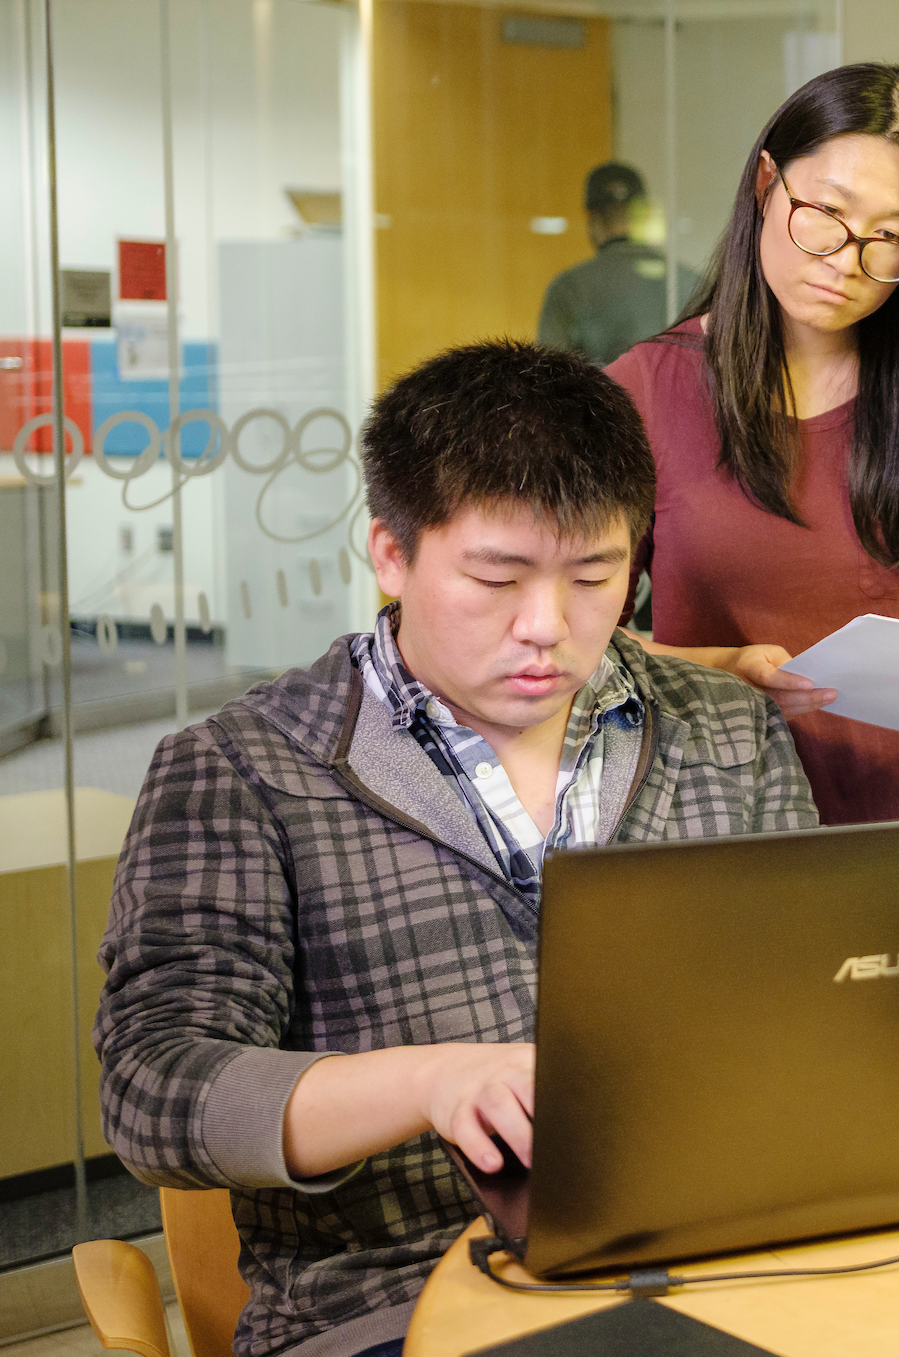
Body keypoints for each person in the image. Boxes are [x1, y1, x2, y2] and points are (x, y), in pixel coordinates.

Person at [93, 341, 817, 1357]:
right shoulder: (244, 771)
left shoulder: (724, 732)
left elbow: (813, 1004)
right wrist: (431, 1082)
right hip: (392, 1305)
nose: (548, 628)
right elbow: (154, 1090)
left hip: (715, 1265)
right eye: (496, 577)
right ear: (391, 552)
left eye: (595, 576)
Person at [608, 64, 899, 826]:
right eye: (826, 213)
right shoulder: (644, 390)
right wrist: (726, 670)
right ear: (767, 182)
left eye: (891, 239)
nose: (844, 260)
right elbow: (580, 645)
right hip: (716, 812)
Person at [536, 162, 695, 366]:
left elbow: (548, 377)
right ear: (644, 214)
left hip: (606, 397)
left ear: (593, 220)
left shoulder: (569, 288)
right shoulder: (692, 282)